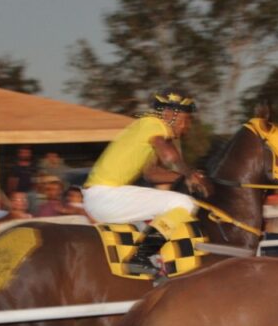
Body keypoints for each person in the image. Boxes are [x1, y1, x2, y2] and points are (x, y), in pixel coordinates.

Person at [82, 91, 210, 276]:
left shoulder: (145, 129)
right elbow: (169, 157)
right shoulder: (154, 124)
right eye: (185, 119)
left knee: (165, 210)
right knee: (184, 203)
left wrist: (183, 178)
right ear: (168, 114)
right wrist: (189, 174)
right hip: (105, 196)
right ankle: (140, 257)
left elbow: (152, 174)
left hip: (101, 196)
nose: (186, 127)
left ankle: (152, 260)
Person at [5, 146, 37, 211]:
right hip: (18, 194)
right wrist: (11, 194)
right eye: (23, 152)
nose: (25, 154)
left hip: (31, 193)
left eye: (27, 152)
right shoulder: (15, 167)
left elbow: (36, 180)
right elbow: (11, 182)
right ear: (19, 154)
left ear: (30, 154)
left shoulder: (34, 166)